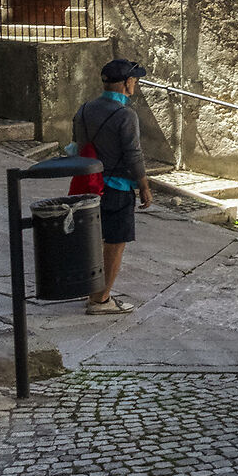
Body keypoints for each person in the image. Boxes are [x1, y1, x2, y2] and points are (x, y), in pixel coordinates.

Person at [71, 58, 153, 313]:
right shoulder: (126, 114)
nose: (136, 85)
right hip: (117, 187)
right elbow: (133, 154)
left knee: (92, 240)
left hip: (88, 183)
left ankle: (91, 290)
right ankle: (101, 298)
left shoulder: (85, 109)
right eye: (135, 81)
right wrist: (144, 185)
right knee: (115, 243)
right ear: (128, 83)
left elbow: (77, 144)